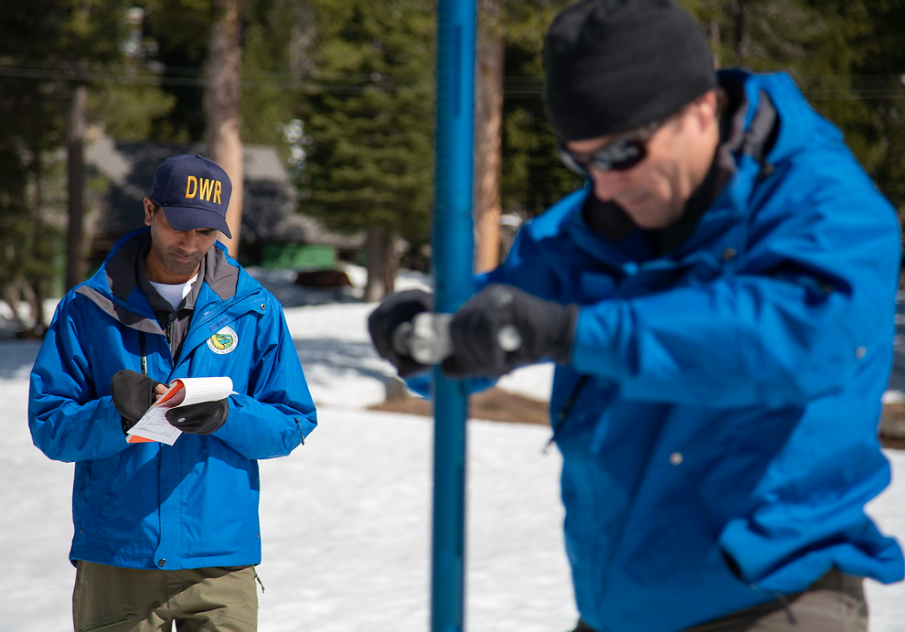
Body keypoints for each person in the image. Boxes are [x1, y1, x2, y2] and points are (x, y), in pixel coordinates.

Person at [367, 1, 904, 630]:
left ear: (700, 108)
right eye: (582, 160)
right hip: (619, 607)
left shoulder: (823, 208)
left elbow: (792, 339)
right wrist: (431, 329)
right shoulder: (595, 223)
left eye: (623, 152)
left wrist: (574, 333)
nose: (604, 183)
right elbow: (502, 313)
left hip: (772, 599)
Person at [29, 154, 317, 632]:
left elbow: (292, 423)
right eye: (178, 226)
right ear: (148, 211)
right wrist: (115, 416)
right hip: (117, 558)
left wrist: (229, 414)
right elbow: (50, 427)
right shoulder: (86, 309)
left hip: (219, 562)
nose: (190, 243)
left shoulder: (255, 311)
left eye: (206, 232)